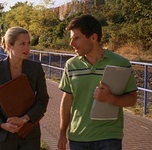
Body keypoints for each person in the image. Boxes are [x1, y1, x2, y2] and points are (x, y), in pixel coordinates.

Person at [58, 15, 138, 150]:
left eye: (76, 38)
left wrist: (110, 98)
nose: (72, 44)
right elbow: (67, 100)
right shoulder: (71, 65)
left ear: (94, 37)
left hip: (109, 137)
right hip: (78, 137)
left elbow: (132, 99)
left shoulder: (121, 63)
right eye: (71, 39)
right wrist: (61, 133)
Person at [0, 27, 49, 150]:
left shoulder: (35, 68)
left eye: (29, 43)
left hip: (29, 134)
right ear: (9, 45)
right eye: (22, 44)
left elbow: (43, 100)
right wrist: (2, 124)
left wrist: (23, 120)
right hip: (3, 134)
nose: (27, 48)